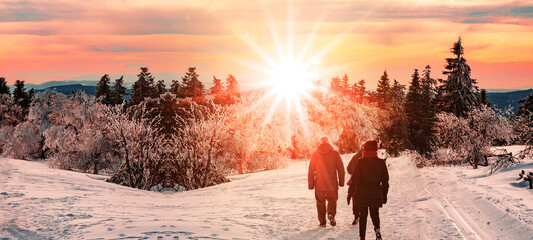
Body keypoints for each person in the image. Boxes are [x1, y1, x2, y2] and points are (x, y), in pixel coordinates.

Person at [347, 140, 389, 240]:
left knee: (363, 216)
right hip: (375, 192)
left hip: (362, 193)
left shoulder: (360, 162)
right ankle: (377, 231)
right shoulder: (381, 162)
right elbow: (385, 181)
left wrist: (350, 194)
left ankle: (362, 237)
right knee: (375, 214)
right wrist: (384, 195)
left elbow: (355, 180)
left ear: (365, 150)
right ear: (376, 150)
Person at [308, 136, 345, 227]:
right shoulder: (335, 153)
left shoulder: (316, 154)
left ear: (320, 143)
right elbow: (341, 169)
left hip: (319, 184)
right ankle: (331, 214)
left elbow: (311, 170)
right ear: (328, 142)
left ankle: (322, 222)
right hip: (332, 184)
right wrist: (341, 182)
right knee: (332, 200)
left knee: (320, 202)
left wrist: (311, 184)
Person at [346, 148, 363, 225]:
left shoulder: (355, 157)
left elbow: (349, 168)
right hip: (367, 181)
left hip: (355, 180)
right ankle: (363, 214)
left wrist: (354, 172)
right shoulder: (371, 157)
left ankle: (356, 215)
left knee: (355, 197)